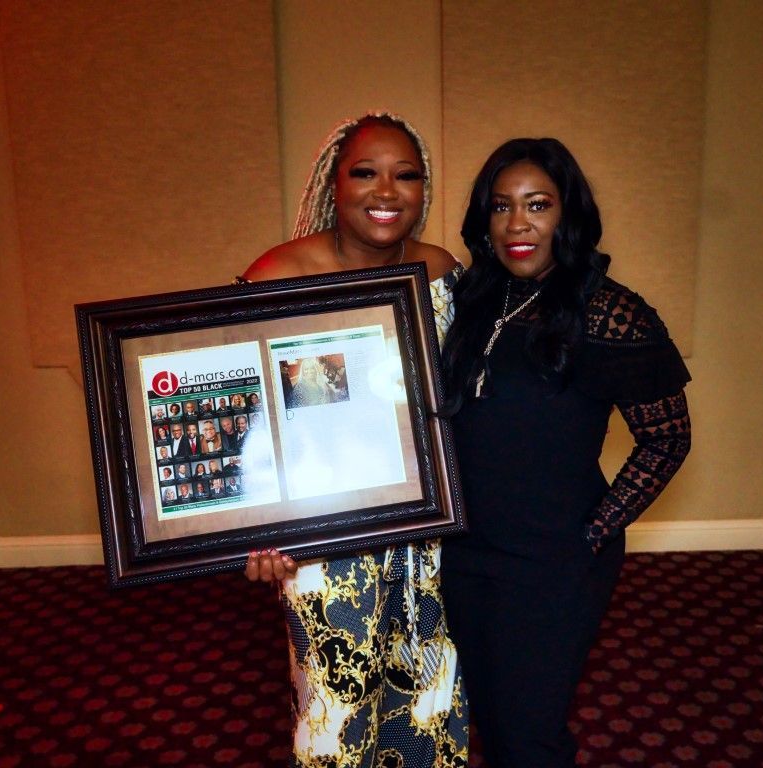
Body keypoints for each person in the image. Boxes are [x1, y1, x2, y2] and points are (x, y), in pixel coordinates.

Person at [439, 138, 692, 768]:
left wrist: (593, 532)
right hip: (464, 552)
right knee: (489, 721)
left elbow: (667, 438)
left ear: (567, 215)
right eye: (501, 207)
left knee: (530, 735)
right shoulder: (469, 301)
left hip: (553, 563)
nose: (517, 224)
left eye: (537, 205)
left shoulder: (611, 314)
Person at [239, 112, 469, 767]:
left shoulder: (441, 271)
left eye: (406, 175)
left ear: (424, 189)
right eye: (365, 172)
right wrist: (256, 527)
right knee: (338, 714)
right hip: (323, 535)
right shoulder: (278, 275)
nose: (386, 191)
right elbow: (252, 424)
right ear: (332, 184)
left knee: (429, 698)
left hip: (429, 532)